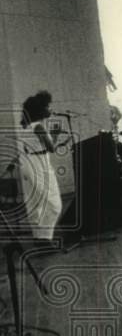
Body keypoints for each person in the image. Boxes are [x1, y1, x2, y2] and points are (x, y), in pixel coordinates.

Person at [11, 91, 65, 240]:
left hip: (29, 163)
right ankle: (45, 239)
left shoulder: (27, 126)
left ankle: (38, 237)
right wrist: (56, 134)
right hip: (39, 165)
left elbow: (36, 146)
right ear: (40, 110)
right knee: (55, 205)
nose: (50, 109)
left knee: (35, 203)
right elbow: (51, 148)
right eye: (48, 106)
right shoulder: (38, 127)